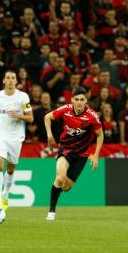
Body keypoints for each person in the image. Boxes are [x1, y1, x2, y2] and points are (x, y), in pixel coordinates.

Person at [44, 87, 103, 221]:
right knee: (59, 178)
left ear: (86, 100)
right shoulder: (65, 109)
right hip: (65, 149)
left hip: (81, 155)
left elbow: (100, 135)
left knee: (66, 187)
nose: (79, 102)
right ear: (72, 100)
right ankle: (51, 211)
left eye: (82, 100)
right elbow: (47, 117)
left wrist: (96, 155)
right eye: (76, 99)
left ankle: (60, 190)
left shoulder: (92, 117)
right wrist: (49, 135)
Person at [0, 70, 34, 211]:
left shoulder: (23, 97)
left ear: (16, 81)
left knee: (10, 169)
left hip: (16, 137)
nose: (11, 80)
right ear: (4, 81)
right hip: (0, 134)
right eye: (8, 78)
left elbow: (30, 118)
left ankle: (5, 194)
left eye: (13, 78)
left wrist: (19, 115)